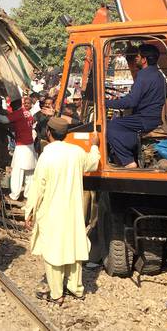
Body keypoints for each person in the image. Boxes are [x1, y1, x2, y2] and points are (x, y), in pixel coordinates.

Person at [24, 117, 100, 305]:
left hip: (52, 210)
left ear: (48, 133)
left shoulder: (46, 155)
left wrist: (30, 211)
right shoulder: (76, 152)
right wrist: (95, 145)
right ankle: (76, 288)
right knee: (73, 247)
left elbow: (38, 187)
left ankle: (56, 293)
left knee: (53, 251)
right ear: (66, 134)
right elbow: (93, 163)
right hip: (73, 210)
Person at [106, 44, 166, 168]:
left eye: (138, 56)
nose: (136, 59)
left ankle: (128, 162)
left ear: (144, 60)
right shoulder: (159, 75)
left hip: (144, 119)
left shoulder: (143, 75)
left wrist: (106, 103)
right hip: (153, 118)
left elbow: (131, 102)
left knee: (112, 125)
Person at [8, 96, 37, 200]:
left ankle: (14, 195)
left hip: (22, 146)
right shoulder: (28, 113)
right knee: (30, 172)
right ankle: (28, 194)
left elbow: (4, 119)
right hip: (30, 145)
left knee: (17, 171)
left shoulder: (18, 113)